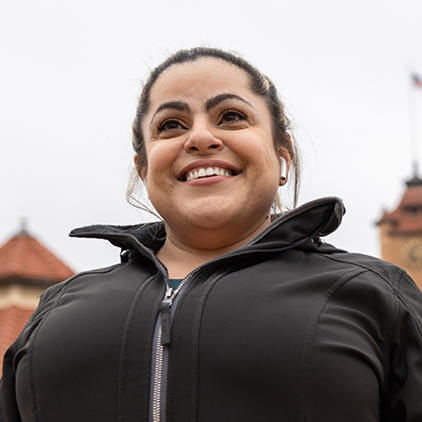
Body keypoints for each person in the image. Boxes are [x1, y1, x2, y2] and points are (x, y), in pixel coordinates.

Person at [1, 47, 422, 422]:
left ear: (282, 155)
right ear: (143, 168)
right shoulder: (55, 309)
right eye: (170, 124)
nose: (200, 137)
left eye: (232, 116)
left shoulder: (378, 297)